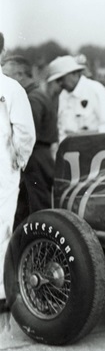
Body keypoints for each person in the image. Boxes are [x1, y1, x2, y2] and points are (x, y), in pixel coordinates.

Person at [0, 33, 36, 311]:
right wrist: (19, 161)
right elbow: (24, 132)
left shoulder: (10, 89)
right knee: (2, 226)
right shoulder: (11, 88)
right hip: (3, 167)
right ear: (3, 52)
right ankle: (1, 292)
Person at [2, 55, 57, 225]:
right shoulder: (36, 94)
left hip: (34, 157)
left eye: (7, 75)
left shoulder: (31, 98)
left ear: (20, 74)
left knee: (36, 208)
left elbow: (24, 133)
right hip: (39, 156)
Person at [47, 55, 105, 143]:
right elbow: (61, 129)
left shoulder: (96, 90)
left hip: (95, 147)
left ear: (74, 73)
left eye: (61, 78)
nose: (60, 83)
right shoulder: (63, 96)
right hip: (70, 149)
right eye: (57, 80)